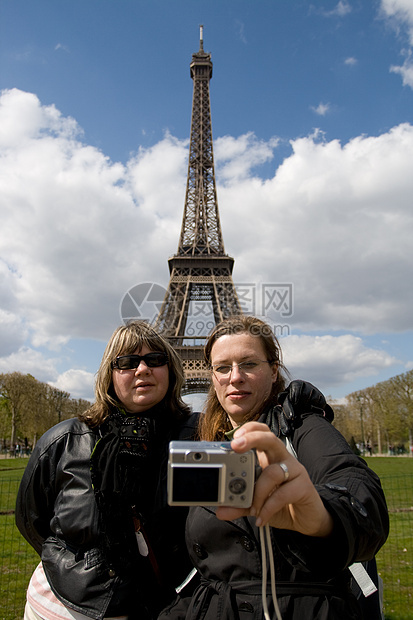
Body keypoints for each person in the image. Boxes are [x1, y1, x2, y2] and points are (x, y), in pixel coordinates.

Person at [160, 315, 389, 620]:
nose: (235, 377)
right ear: (212, 376)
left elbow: (360, 492)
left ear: (274, 370)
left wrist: (322, 517)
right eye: (223, 367)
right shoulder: (204, 441)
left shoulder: (301, 426)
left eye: (249, 364)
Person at [15, 320, 198, 620]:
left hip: (163, 607)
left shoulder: (198, 436)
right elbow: (31, 518)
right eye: (127, 362)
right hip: (61, 608)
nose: (143, 369)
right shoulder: (64, 441)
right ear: (109, 375)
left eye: (155, 360)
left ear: (171, 370)